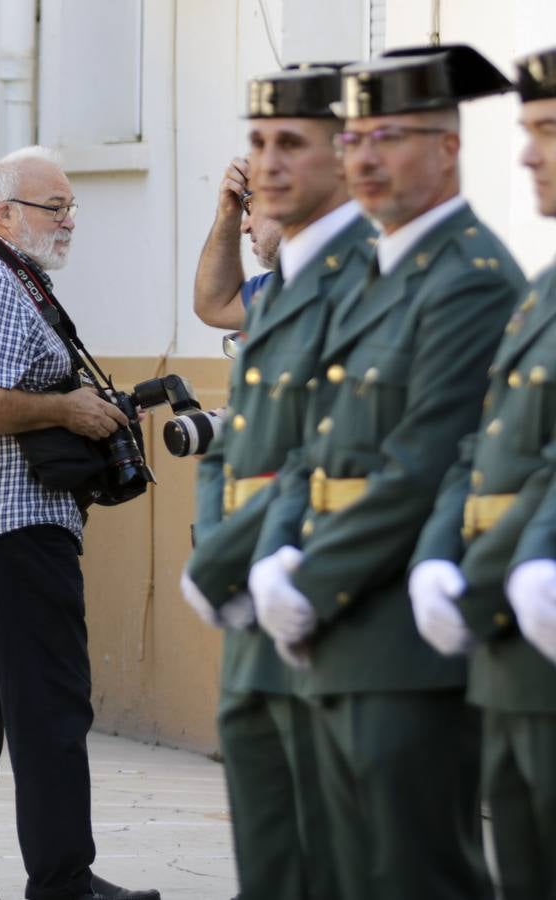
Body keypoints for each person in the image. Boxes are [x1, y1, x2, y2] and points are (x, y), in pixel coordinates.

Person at [247, 46, 526, 899]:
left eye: (390, 137)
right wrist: (276, 554)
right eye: (356, 137)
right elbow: (314, 441)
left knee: (412, 873)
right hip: (335, 619)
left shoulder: (471, 279)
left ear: (447, 148)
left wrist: (310, 576)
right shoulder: (373, 272)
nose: (363, 157)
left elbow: (425, 458)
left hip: (401, 628)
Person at [0, 145, 158, 900]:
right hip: (10, 525)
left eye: (71, 207)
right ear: (3, 214)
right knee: (50, 706)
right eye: (56, 208)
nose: (70, 221)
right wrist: (71, 408)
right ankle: (63, 881)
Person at [180, 65, 367, 900]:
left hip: (314, 574)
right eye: (257, 150)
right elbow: (212, 302)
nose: (265, 172)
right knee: (273, 831)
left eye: (287, 145)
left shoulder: (354, 280)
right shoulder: (275, 289)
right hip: (253, 569)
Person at [407, 45, 556, 900]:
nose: (527, 153)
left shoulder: (498, 277)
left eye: (547, 130)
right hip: (509, 645)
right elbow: (482, 445)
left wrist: (515, 562)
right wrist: (440, 557)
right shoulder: (541, 292)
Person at [194, 155, 284, 330]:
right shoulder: (292, 282)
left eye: (249, 204)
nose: (244, 227)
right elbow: (215, 307)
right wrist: (227, 213)